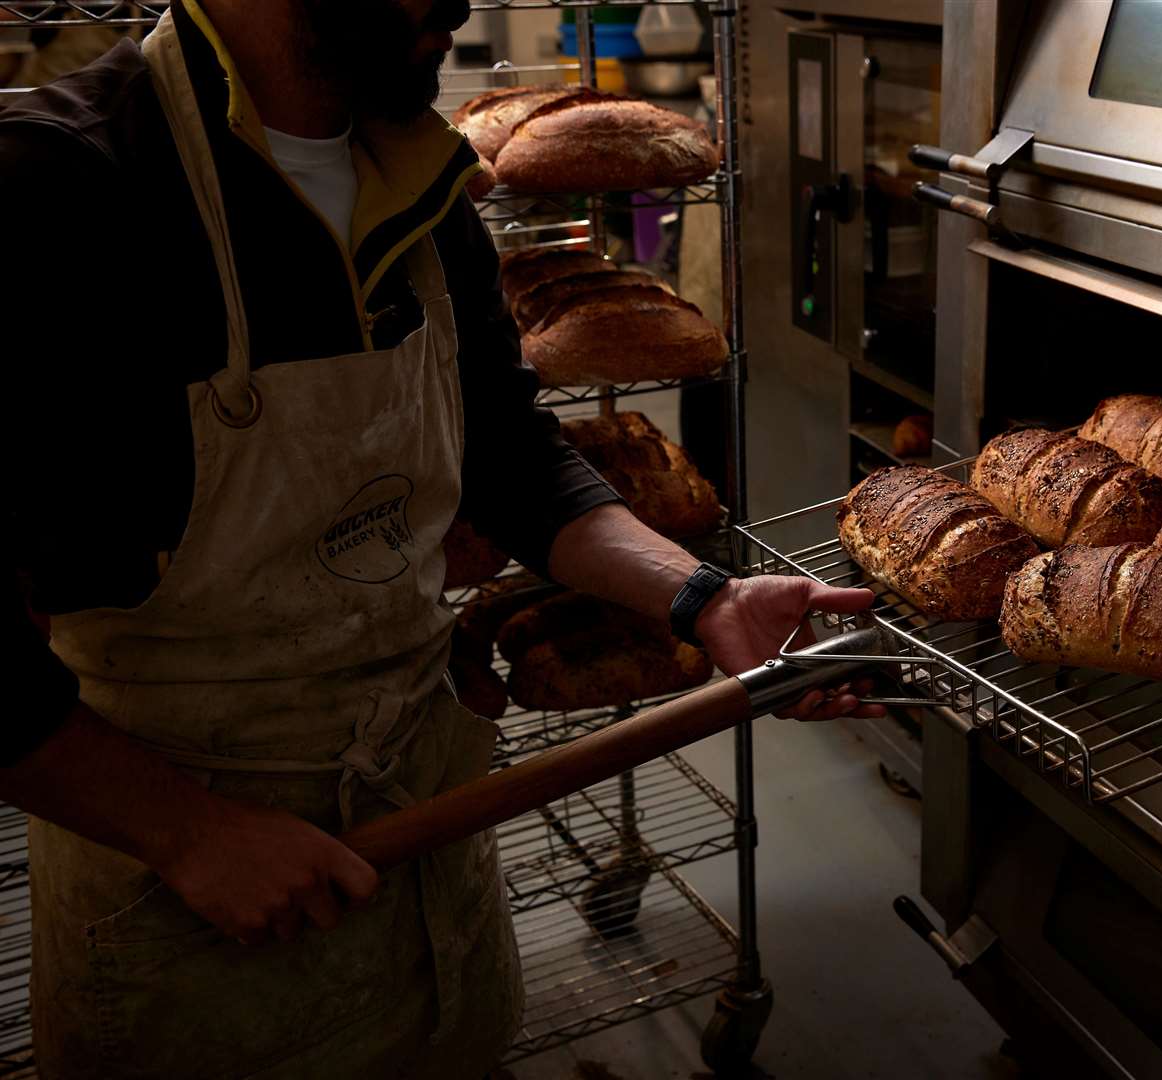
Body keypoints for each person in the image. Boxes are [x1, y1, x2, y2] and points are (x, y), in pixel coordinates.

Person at [0, 1, 878, 1076]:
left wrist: (701, 597)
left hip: (428, 812)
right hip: (184, 873)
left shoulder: (415, 176)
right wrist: (187, 833)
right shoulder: (53, 185)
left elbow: (504, 453)